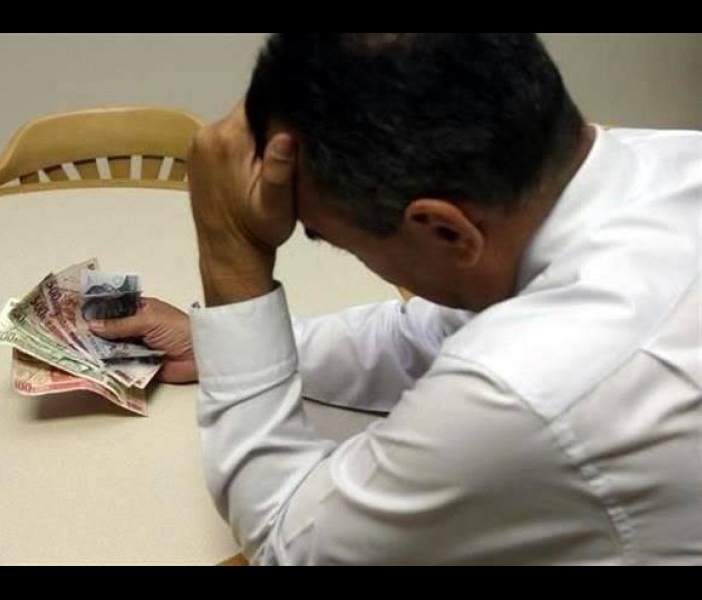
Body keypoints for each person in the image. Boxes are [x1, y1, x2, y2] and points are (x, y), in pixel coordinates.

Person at [89, 33, 701, 565]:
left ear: (445, 231)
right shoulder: (659, 159)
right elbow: (430, 332)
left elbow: (289, 542)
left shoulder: (530, 387)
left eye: (334, 239)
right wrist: (228, 345)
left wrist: (231, 250)